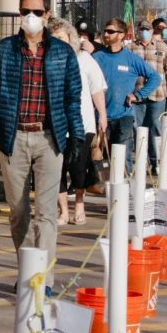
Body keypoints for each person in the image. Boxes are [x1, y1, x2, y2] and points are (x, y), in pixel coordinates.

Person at [0, 0, 84, 267]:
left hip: (50, 140)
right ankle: (27, 270)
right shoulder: (3, 50)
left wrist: (77, 138)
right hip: (14, 138)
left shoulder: (63, 53)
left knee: (46, 213)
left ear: (47, 14)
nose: (31, 17)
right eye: (25, 11)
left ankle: (42, 280)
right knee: (19, 211)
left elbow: (73, 98)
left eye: (37, 12)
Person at [50, 18, 108, 227]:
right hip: (56, 125)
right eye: (54, 37)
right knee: (57, 169)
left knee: (79, 168)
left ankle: (80, 206)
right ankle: (63, 210)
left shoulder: (84, 59)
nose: (58, 41)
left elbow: (97, 90)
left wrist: (102, 116)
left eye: (62, 37)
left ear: (71, 39)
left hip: (83, 125)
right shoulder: (49, 60)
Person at [90, 17, 162, 180]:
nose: (106, 34)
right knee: (100, 159)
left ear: (122, 35)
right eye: (105, 31)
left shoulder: (131, 59)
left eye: (110, 31)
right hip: (101, 117)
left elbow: (155, 78)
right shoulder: (97, 58)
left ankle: (125, 192)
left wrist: (138, 95)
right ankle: (106, 192)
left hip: (124, 116)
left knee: (122, 158)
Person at [134, 21, 167, 174]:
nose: (144, 32)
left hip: (158, 96)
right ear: (137, 30)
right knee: (138, 129)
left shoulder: (161, 47)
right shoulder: (130, 48)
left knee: (155, 128)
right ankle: (141, 162)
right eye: (142, 29)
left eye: (147, 29)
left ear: (151, 31)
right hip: (137, 97)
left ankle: (156, 162)